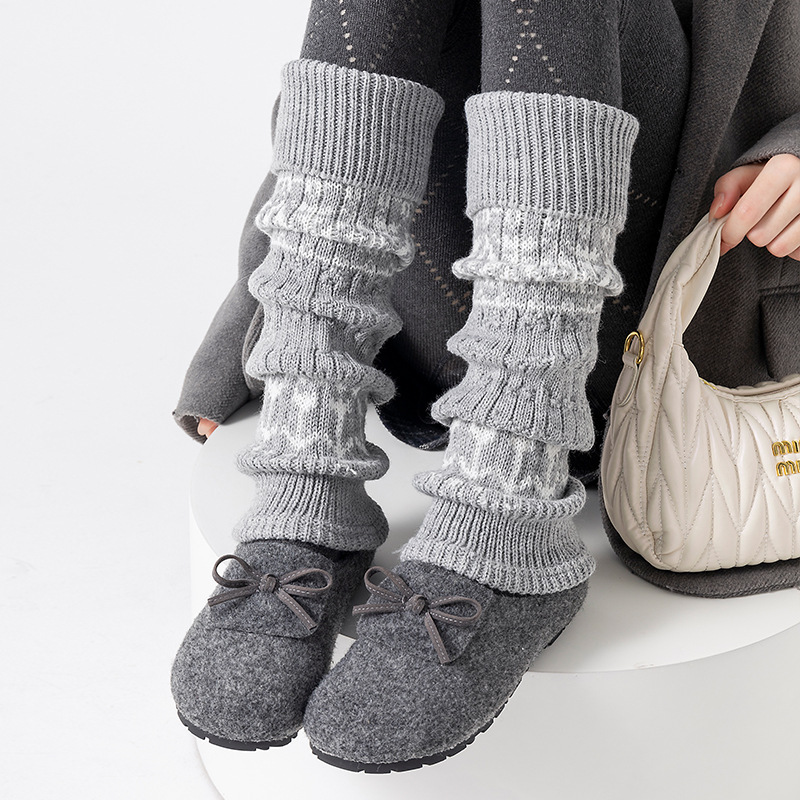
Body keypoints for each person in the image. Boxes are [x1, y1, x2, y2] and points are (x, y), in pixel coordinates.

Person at [171, 0, 800, 772]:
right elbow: (337, 103)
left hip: (662, 297)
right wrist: (249, 332)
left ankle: (507, 497)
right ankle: (309, 464)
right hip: (437, 293)